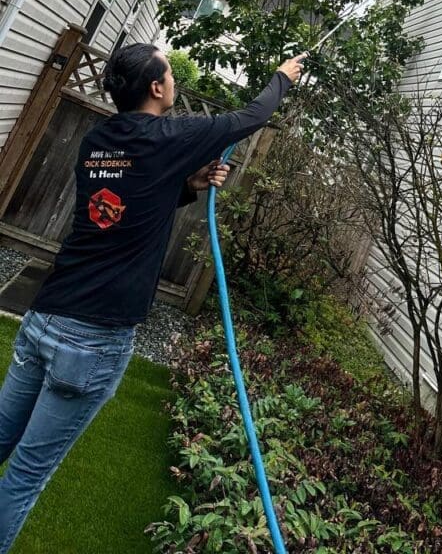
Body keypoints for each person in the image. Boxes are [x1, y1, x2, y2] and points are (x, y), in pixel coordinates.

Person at [0, 43, 305, 551]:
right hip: (91, 341)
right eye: (169, 71)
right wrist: (282, 77)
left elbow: (126, 200)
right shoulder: (171, 134)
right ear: (159, 88)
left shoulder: (98, 139)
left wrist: (190, 183)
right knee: (26, 473)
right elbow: (252, 116)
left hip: (44, 318)